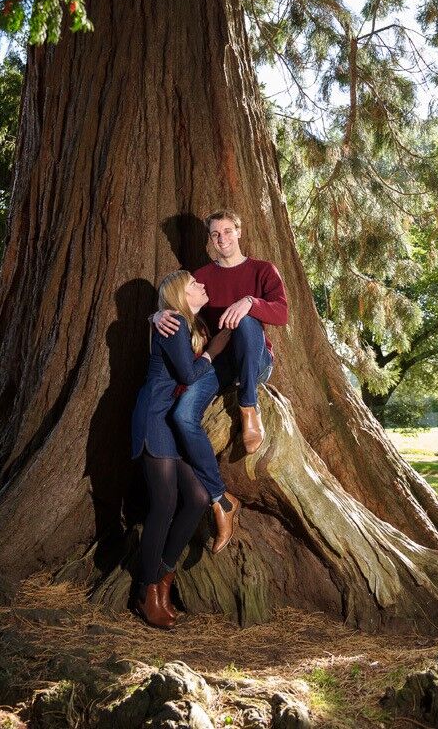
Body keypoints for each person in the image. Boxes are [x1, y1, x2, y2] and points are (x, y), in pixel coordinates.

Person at [154, 210, 288, 553]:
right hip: (219, 363)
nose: (222, 238)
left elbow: (282, 312)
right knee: (182, 416)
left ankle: (248, 408)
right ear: (210, 240)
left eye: (227, 231)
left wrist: (249, 301)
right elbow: (176, 304)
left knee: (244, 321)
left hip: (255, 361)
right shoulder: (202, 276)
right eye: (215, 234)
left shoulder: (262, 270)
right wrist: (155, 315)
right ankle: (220, 500)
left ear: (238, 233)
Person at [132, 269, 231, 629]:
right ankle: (146, 591)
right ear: (178, 296)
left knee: (199, 497)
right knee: (164, 504)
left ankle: (163, 575)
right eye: (194, 285)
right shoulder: (172, 320)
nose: (202, 286)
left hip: (171, 421)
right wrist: (211, 355)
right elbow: (189, 375)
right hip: (155, 418)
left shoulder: (186, 323)